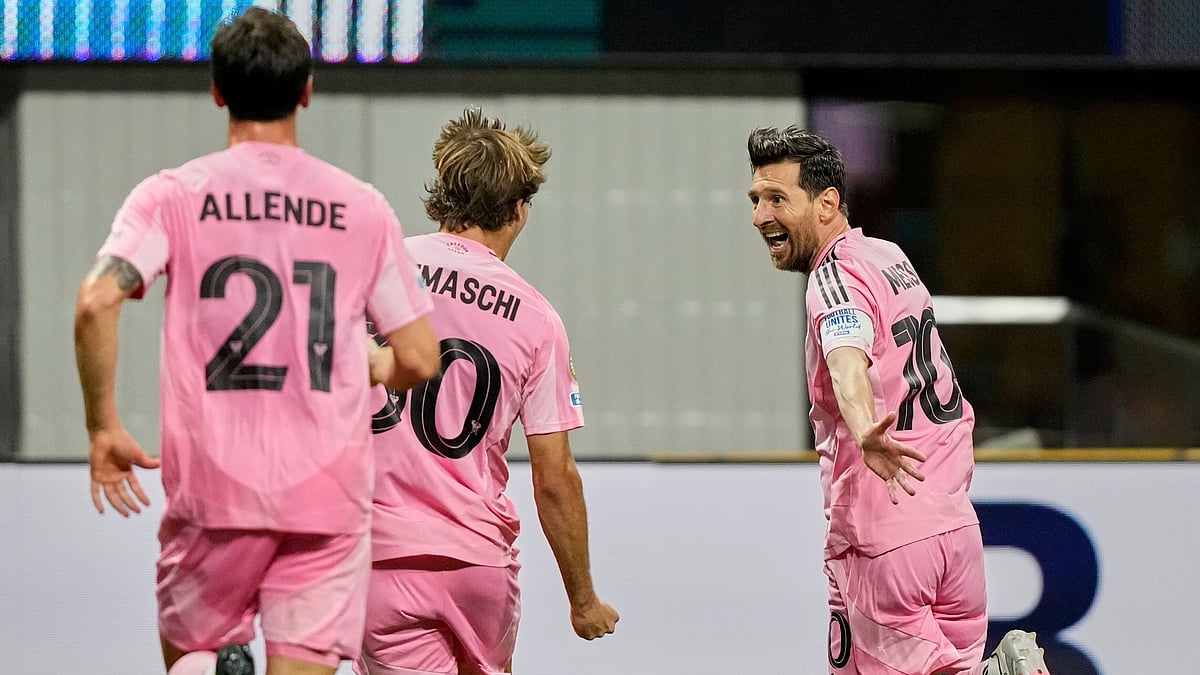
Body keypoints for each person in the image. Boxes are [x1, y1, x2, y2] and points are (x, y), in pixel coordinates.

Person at [73, 8, 440, 675]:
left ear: (217, 90)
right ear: (307, 91)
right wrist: (376, 361)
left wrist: (103, 426)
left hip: (212, 495)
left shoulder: (172, 196)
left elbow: (97, 300)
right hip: (325, 499)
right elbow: (419, 357)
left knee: (196, 654)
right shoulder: (362, 209)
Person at [744, 126, 1050, 675]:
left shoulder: (835, 275)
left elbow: (847, 360)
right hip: (954, 531)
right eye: (756, 199)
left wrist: (864, 429)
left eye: (777, 199)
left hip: (887, 536)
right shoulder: (889, 256)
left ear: (827, 202)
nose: (760, 216)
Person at [356, 109, 619, 675]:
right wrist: (583, 599)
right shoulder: (537, 317)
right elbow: (555, 478)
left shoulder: (377, 269)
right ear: (519, 208)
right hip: (480, 566)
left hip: (381, 558)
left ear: (444, 192)